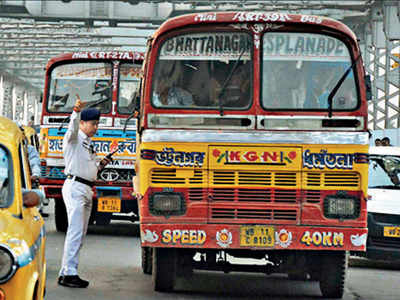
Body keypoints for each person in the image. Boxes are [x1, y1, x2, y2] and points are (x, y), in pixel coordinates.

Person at [58, 95, 111, 288]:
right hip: (75, 187)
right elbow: (71, 128)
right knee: (75, 231)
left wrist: (101, 164)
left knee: (80, 233)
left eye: (97, 124)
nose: (96, 127)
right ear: (82, 123)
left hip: (86, 187)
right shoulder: (73, 138)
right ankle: (68, 273)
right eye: (93, 124)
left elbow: (91, 168)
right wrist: (75, 111)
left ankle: (68, 271)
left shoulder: (88, 143)